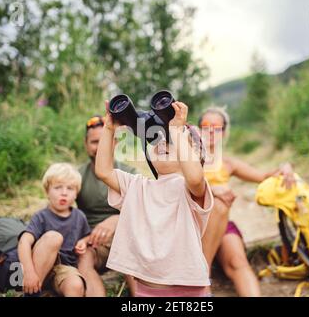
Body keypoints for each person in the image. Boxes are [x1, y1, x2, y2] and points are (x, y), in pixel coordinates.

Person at [95, 100, 214, 297]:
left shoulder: (189, 189)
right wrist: (109, 129)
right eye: (158, 139)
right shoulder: (138, 186)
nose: (162, 142)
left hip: (188, 290)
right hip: (146, 290)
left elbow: (195, 175)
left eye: (171, 141)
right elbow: (104, 171)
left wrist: (176, 130)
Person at [198, 107, 296, 297]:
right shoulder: (187, 159)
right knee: (218, 202)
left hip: (221, 224)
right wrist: (210, 190)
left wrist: (284, 167)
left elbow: (264, 176)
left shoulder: (227, 163)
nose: (210, 131)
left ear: (224, 132)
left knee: (238, 262)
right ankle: (202, 284)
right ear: (198, 129)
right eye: (205, 126)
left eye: (216, 127)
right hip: (193, 223)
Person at [17, 163, 100, 297]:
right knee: (54, 237)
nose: (64, 192)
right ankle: (31, 293)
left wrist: (83, 242)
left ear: (76, 194)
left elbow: (87, 236)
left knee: (76, 285)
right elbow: (24, 242)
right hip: (40, 266)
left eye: (70, 188)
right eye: (57, 187)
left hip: (64, 269)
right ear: (47, 191)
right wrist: (29, 272)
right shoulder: (41, 216)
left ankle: (49, 291)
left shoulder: (79, 216)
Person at [76, 115, 137, 295]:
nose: (99, 147)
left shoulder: (129, 172)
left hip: (127, 238)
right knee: (84, 258)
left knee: (130, 247)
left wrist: (117, 219)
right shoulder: (77, 176)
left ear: (115, 142)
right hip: (94, 243)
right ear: (86, 144)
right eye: (95, 142)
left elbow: (142, 211)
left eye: (104, 140)